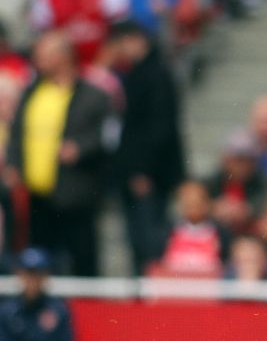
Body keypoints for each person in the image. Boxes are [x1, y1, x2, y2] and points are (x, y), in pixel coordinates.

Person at [6, 32, 112, 276]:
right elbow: (17, 132)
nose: (37, 59)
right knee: (39, 259)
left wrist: (80, 149)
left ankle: (87, 309)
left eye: (44, 54)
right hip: (38, 193)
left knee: (82, 257)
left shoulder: (93, 95)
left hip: (75, 193)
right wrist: (14, 164)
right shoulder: (32, 92)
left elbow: (108, 134)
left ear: (64, 57)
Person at [107, 19, 185, 275]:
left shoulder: (154, 75)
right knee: (139, 238)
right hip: (141, 172)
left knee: (147, 239)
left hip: (148, 176)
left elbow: (158, 129)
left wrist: (142, 171)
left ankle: (148, 290)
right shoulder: (145, 72)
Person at [0, 248, 73, 341]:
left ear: (46, 275)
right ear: (19, 274)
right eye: (29, 274)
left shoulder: (58, 310)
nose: (33, 280)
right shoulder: (6, 312)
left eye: (38, 274)